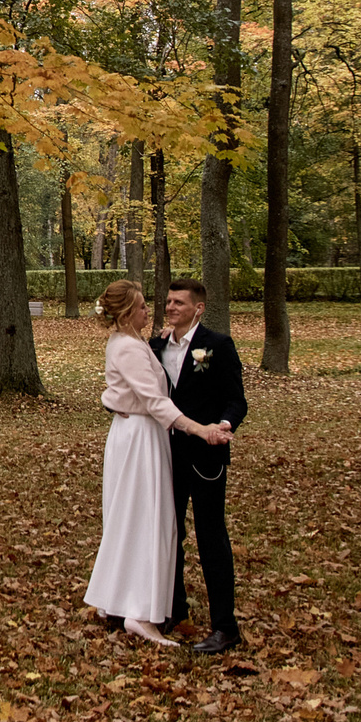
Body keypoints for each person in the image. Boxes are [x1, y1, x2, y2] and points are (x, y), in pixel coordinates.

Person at [84, 278, 231, 647]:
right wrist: (200, 429)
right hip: (141, 439)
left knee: (147, 522)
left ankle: (139, 605)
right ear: (127, 313)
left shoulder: (147, 343)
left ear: (197, 308)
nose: (155, 311)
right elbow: (154, 400)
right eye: (144, 307)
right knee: (145, 522)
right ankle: (141, 611)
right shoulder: (131, 347)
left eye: (170, 303)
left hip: (151, 439)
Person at [153, 275, 248, 653]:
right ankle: (174, 608)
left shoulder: (217, 345)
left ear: (199, 308)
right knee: (169, 532)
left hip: (206, 455)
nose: (171, 307)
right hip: (165, 454)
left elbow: (235, 400)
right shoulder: (156, 345)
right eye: (169, 302)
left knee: (211, 536)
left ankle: (225, 626)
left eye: (179, 302)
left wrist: (223, 425)